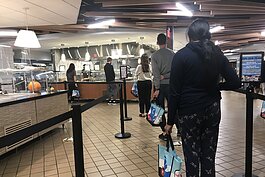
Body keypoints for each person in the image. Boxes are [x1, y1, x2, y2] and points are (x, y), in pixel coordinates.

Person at [165, 19, 241, 177]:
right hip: (212, 110)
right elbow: (235, 82)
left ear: (189, 35)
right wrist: (217, 87)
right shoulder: (217, 54)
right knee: (209, 154)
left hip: (189, 112)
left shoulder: (181, 56)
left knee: (191, 155)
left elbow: (174, 92)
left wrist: (170, 121)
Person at [151, 33, 179, 141]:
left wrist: (157, 88)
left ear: (157, 42)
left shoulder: (155, 56)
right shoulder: (173, 54)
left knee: (160, 109)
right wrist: (167, 76)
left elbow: (156, 73)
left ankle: (165, 132)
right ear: (166, 42)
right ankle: (179, 128)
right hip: (172, 85)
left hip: (161, 87)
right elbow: (176, 71)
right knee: (173, 107)